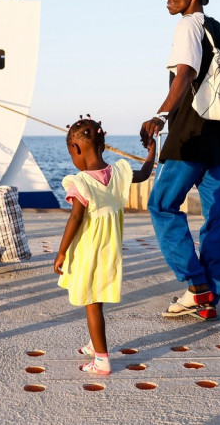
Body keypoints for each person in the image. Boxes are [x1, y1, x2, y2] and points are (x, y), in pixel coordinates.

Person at [140, 0, 220, 321]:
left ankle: (197, 286)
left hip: (191, 136)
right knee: (216, 218)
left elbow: (186, 74)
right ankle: (210, 295)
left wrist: (160, 116)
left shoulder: (188, 26)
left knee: (162, 204)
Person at [54, 117, 155, 375]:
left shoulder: (81, 182)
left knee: (92, 303)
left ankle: (101, 360)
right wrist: (152, 151)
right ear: (103, 143)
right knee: (97, 298)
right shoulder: (119, 173)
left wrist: (62, 251)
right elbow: (143, 174)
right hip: (110, 250)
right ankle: (93, 343)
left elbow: (75, 218)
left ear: (76, 149)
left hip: (90, 252)